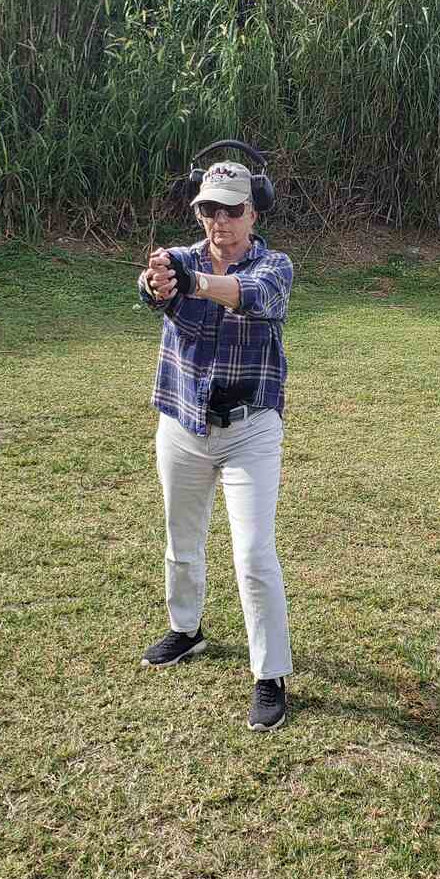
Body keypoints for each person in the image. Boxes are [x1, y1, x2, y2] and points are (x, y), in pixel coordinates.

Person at [137, 159, 294, 732]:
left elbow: (250, 295)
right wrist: (157, 279)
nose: (219, 221)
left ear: (254, 213)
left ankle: (270, 673)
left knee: (253, 555)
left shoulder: (276, 266)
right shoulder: (181, 257)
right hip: (183, 423)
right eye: (209, 209)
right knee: (182, 540)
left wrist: (195, 283)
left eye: (232, 209)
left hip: (251, 428)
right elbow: (153, 286)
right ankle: (186, 630)